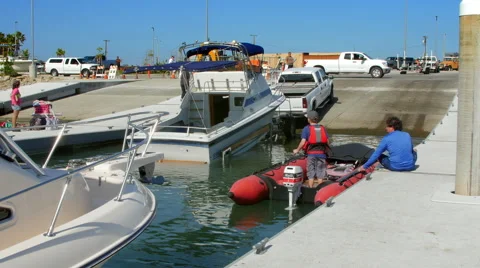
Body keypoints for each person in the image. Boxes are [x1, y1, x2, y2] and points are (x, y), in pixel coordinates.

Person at [293, 110, 330, 188]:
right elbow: (327, 141)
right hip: (322, 154)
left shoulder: (306, 129)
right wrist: (326, 151)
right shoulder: (322, 128)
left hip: (311, 154)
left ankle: (310, 188)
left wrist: (297, 150)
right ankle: (320, 189)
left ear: (309, 119)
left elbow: (303, 142)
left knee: (311, 173)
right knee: (320, 174)